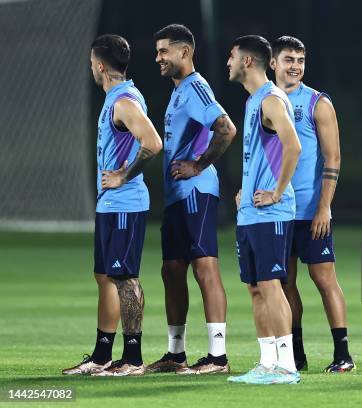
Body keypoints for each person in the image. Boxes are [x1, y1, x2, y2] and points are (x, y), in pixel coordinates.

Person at [62, 34, 162, 376]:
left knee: (125, 278)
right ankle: (102, 355)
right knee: (104, 275)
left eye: (92, 63)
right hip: (110, 205)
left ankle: (132, 358)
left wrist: (123, 175)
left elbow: (153, 143)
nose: (91, 67)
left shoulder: (124, 102)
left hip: (125, 204)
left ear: (100, 66)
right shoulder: (116, 98)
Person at [146, 24, 237, 375]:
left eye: (163, 51)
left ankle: (218, 357)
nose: (158, 58)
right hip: (176, 197)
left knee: (205, 267)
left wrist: (198, 165)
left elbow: (226, 128)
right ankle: (176, 354)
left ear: (184, 52)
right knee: (172, 270)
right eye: (157, 52)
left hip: (196, 193)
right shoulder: (179, 90)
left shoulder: (196, 87)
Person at [270, 36, 354, 373]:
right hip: (277, 210)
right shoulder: (265, 101)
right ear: (272, 62)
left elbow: (333, 157)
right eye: (289, 59)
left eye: (300, 60)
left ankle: (343, 354)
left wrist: (324, 207)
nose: (295, 66)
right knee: (285, 283)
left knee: (324, 279)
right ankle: (296, 353)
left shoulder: (317, 102)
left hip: (310, 210)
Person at [225, 35, 302, 385]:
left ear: (247, 62)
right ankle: (267, 362)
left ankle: (286, 366)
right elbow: (263, 155)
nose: (227, 63)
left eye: (231, 57)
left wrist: (276, 192)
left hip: (271, 213)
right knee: (255, 287)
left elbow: (294, 146)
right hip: (250, 214)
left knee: (272, 285)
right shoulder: (254, 100)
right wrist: (247, 189)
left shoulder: (271, 100)